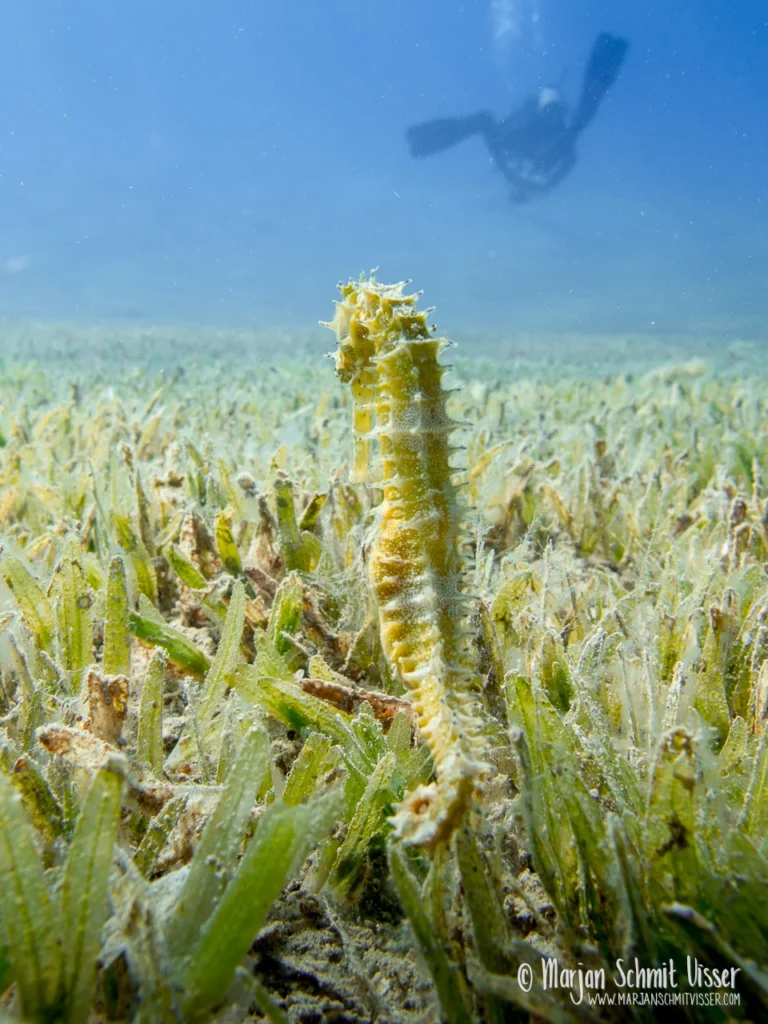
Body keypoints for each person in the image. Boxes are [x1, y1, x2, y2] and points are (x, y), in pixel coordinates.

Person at [405, 33, 629, 203]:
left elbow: (564, 160)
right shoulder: (550, 149)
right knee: (576, 126)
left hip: (527, 138)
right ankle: (422, 141)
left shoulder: (532, 143)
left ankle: (422, 142)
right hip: (533, 140)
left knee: (576, 125)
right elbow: (565, 162)